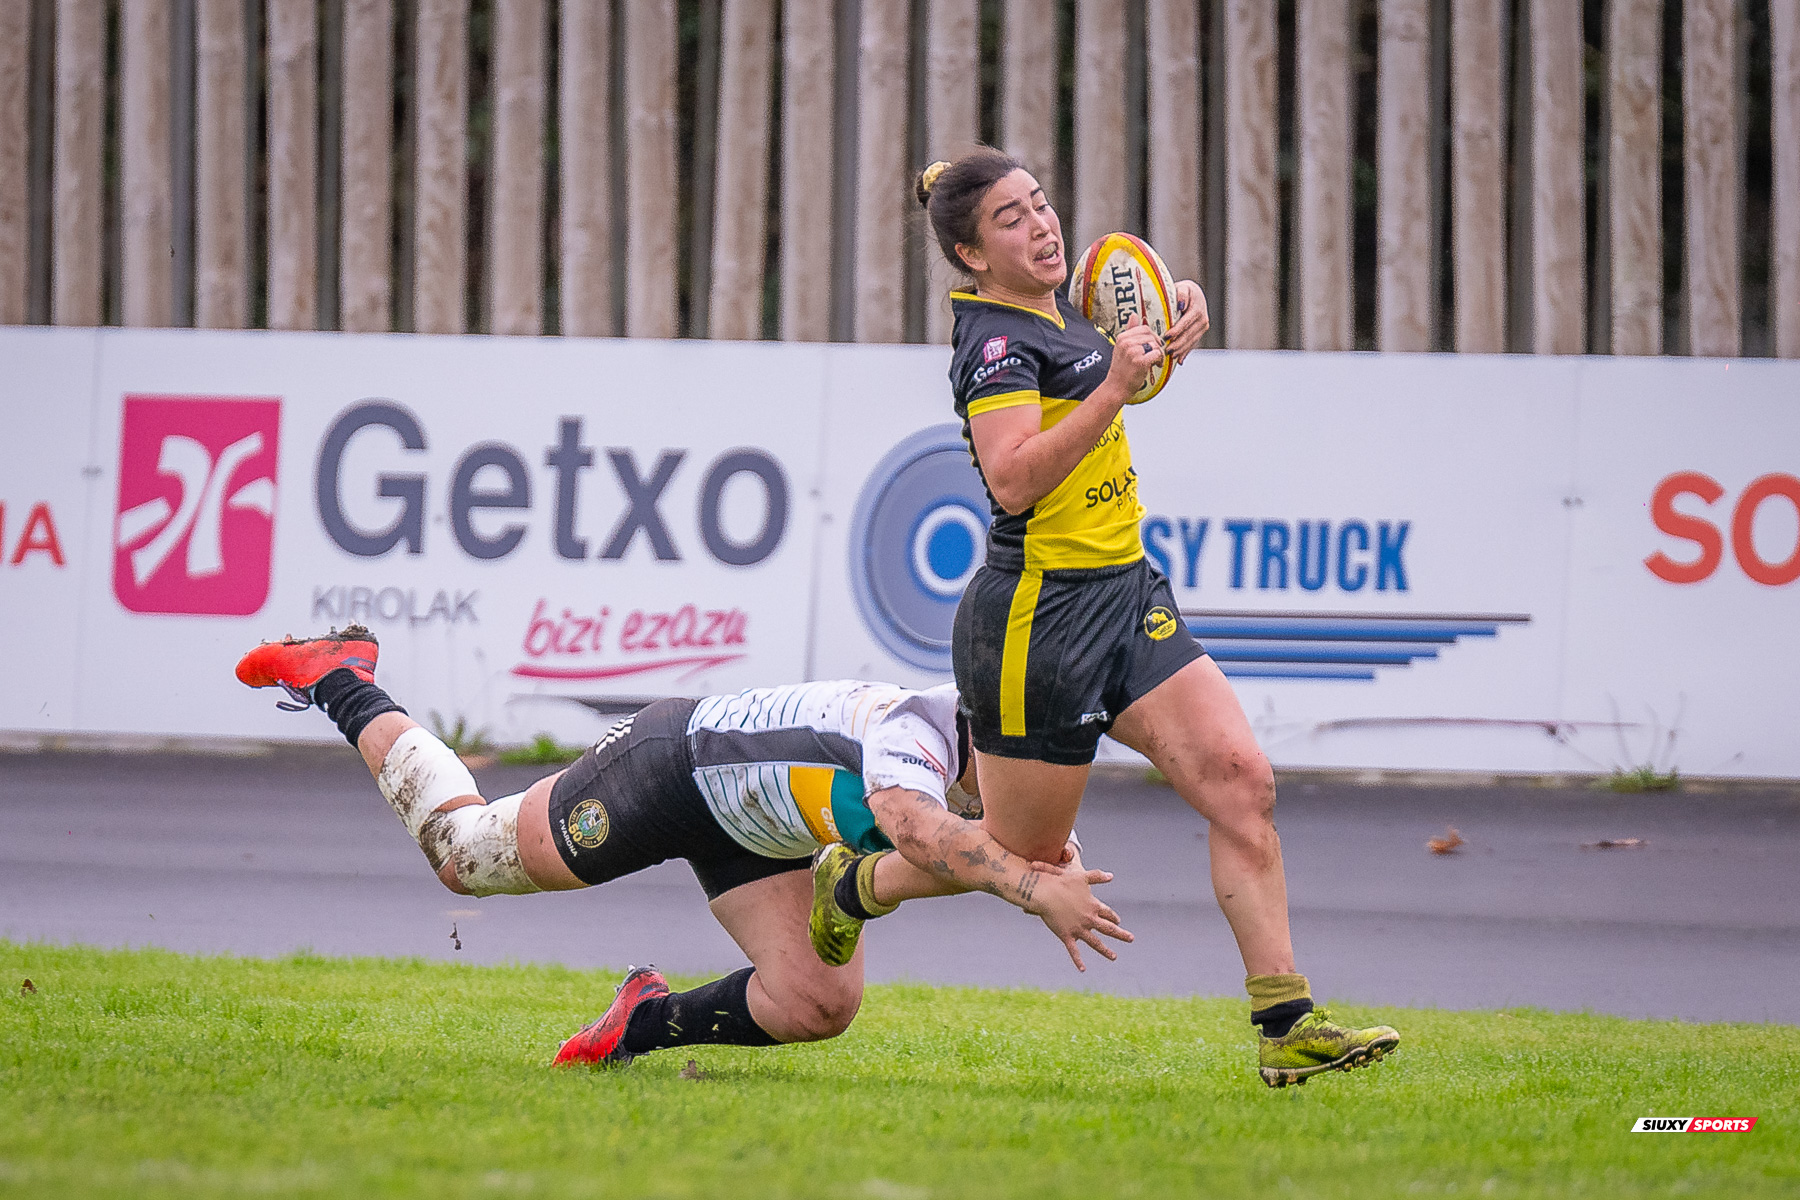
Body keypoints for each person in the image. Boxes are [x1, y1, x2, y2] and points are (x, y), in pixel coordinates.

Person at [809, 149, 1398, 1089]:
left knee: (1243, 780)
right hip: (1038, 623)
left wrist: (1167, 338)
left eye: (1041, 204)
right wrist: (1119, 385)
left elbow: (1110, 384)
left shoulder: (1058, 312)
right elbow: (1012, 477)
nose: (1041, 226)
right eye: (1010, 219)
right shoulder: (995, 345)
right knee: (1024, 859)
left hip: (1127, 593)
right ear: (970, 254)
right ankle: (857, 880)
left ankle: (1286, 1022)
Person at [234, 624, 1130, 1068]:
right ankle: (344, 675)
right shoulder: (913, 733)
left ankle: (640, 1023)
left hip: (764, 829)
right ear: (983, 722)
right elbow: (925, 836)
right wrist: (1024, 885)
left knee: (818, 1003)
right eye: (1024, 744)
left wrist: (1028, 876)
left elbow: (1011, 854)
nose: (1036, 766)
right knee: (462, 855)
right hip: (675, 769)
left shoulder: (1023, 762)